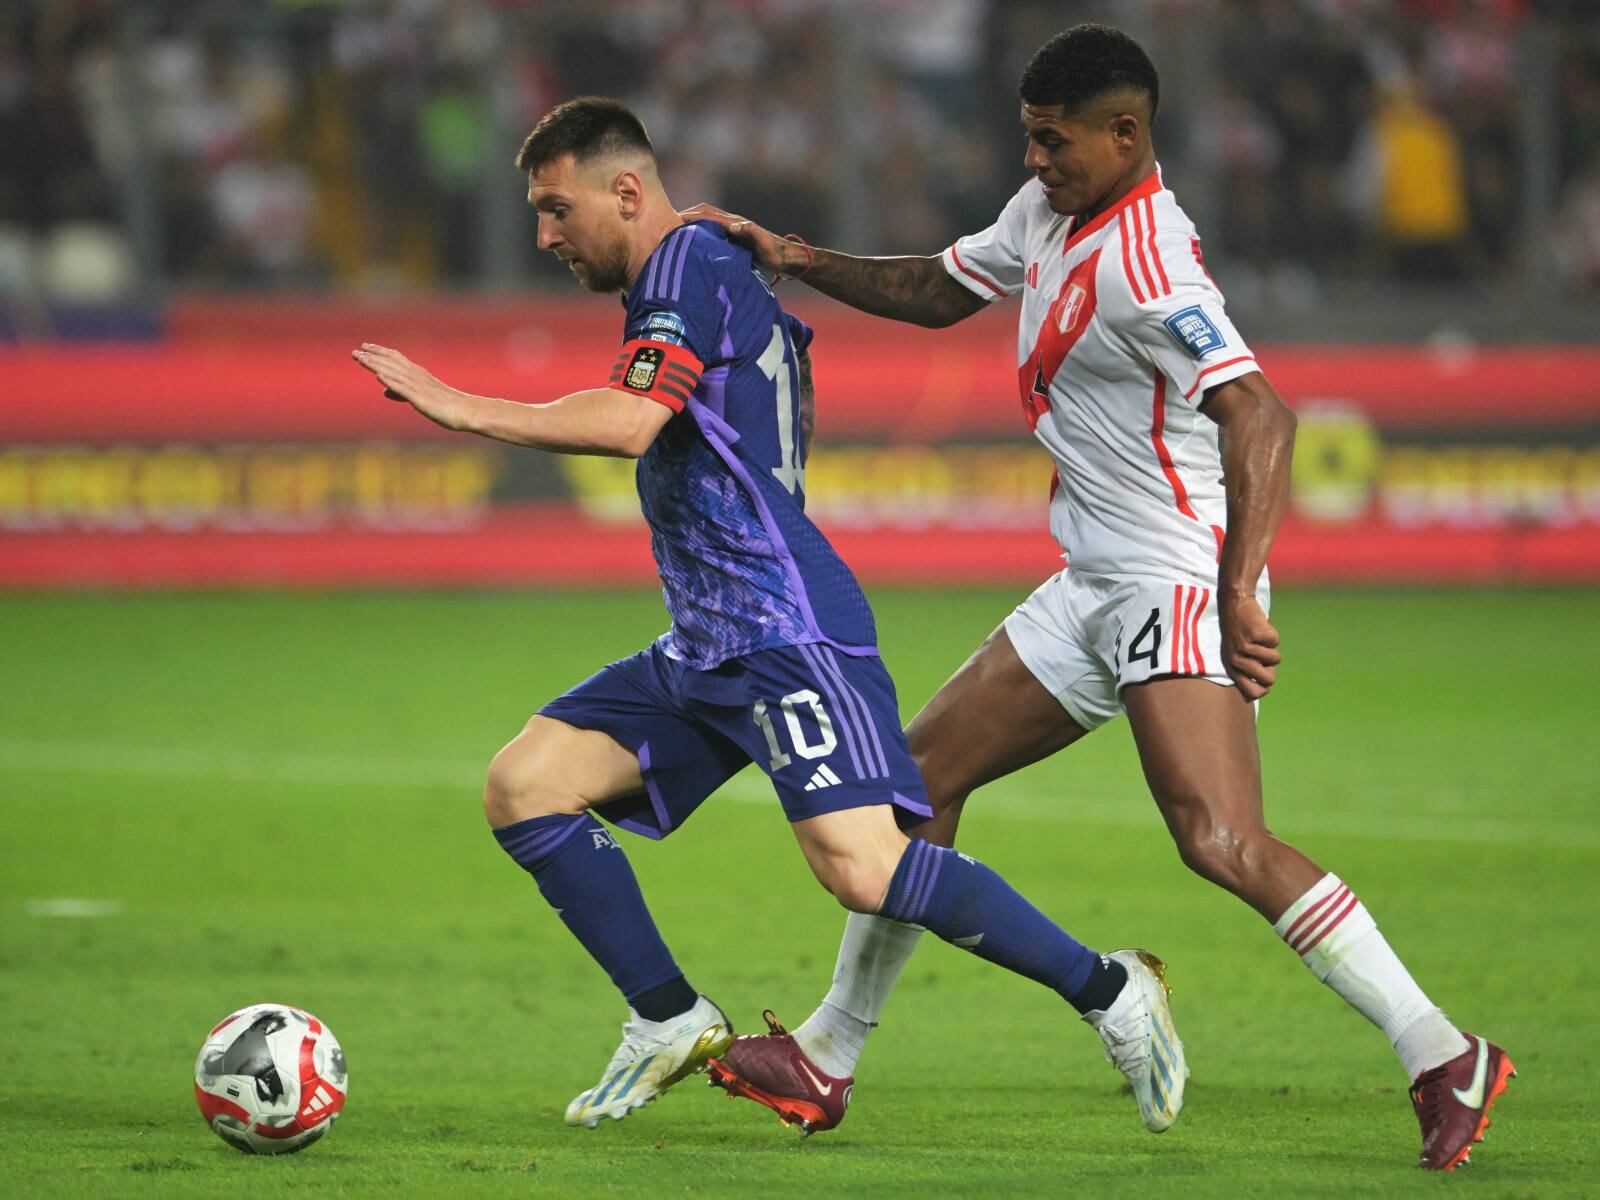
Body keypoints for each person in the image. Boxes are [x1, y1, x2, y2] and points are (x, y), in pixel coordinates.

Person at [683, 24, 1512, 1171]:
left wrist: (1237, 597)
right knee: (913, 787)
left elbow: (1261, 416)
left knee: (1217, 839)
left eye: (1052, 141)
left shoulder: (1151, 261)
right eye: (1028, 138)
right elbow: (936, 289)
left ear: (1125, 133)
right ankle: (828, 1054)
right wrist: (792, 254)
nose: (1033, 161)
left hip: (1174, 574)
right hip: (1094, 581)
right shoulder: (1051, 217)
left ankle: (1440, 1051)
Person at [352, 95, 1186, 1134]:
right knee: (527, 785)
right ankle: (666, 1016)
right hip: (707, 639)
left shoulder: (688, 266)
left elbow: (627, 422)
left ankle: (1108, 990)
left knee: (864, 869)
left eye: (557, 209)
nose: (544, 236)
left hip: (785, 627)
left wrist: (455, 402)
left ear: (626, 190)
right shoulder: (679, 278)